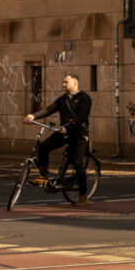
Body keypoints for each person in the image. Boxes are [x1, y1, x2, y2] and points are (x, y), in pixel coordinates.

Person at [25, 73, 93, 207]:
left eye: (65, 82)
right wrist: (34, 115)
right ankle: (43, 176)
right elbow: (49, 109)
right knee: (43, 147)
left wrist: (69, 127)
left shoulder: (85, 98)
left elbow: (82, 117)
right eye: (63, 82)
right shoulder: (62, 99)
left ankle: (83, 196)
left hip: (78, 134)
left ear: (74, 83)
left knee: (78, 164)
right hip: (64, 132)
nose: (63, 85)